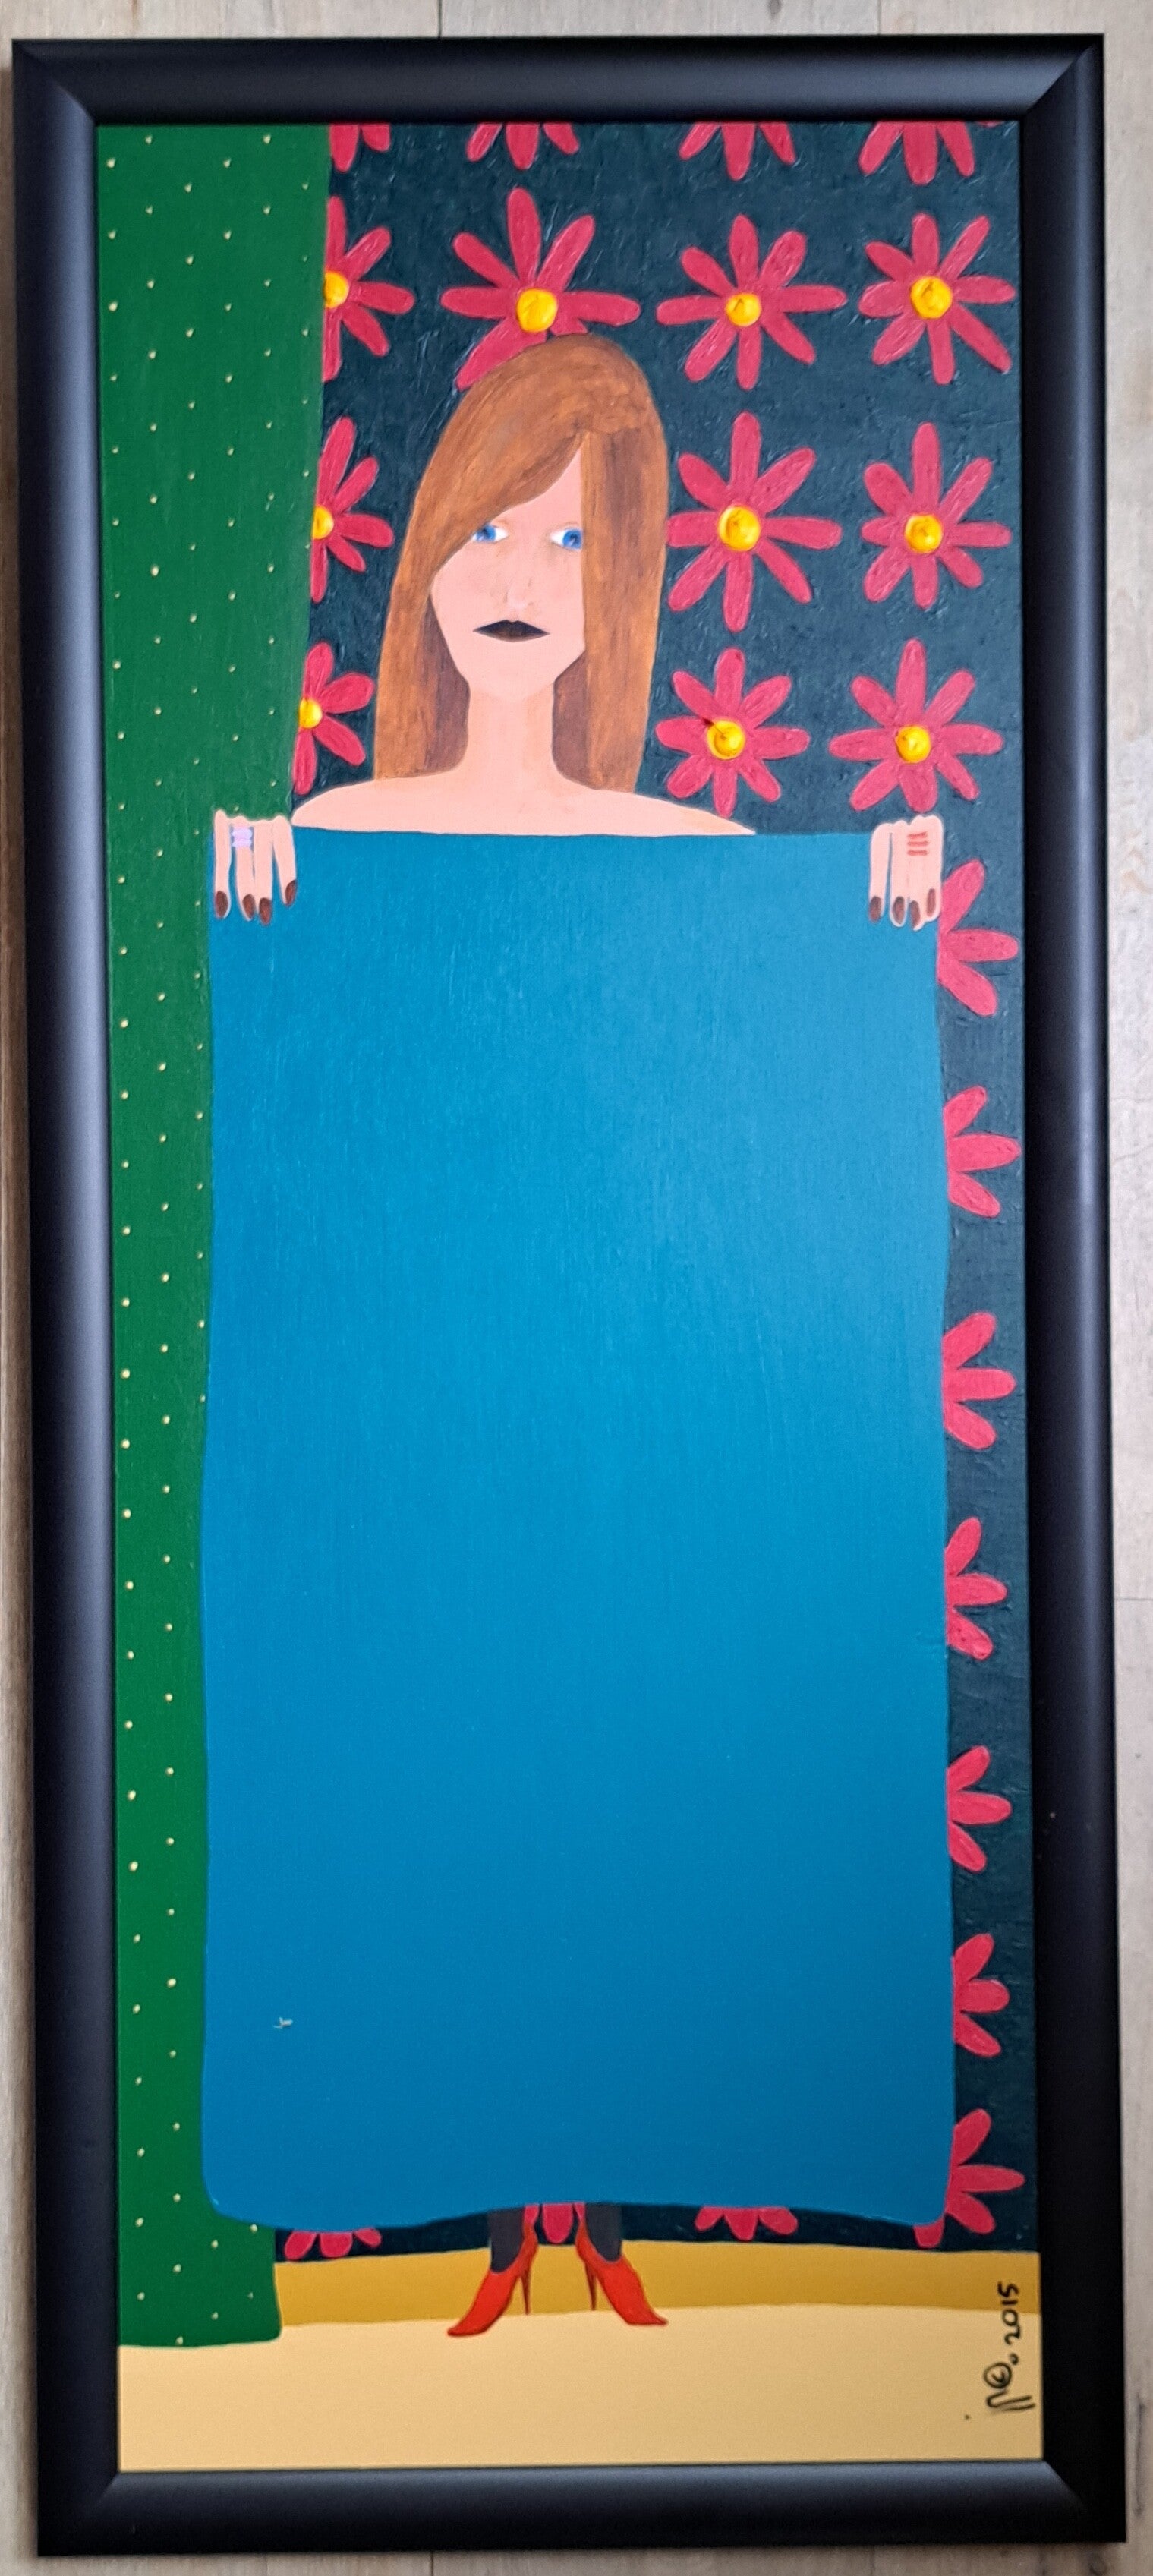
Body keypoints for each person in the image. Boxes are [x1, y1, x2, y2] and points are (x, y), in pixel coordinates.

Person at [206, 336, 952, 2344]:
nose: (523, 574)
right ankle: (491, 2223)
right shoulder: (343, 832)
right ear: (428, 564)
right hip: (431, 1428)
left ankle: (598, 2216)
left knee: (627, 1763)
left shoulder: (676, 854)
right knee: (440, 1763)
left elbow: (791, 958)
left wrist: (880, 896)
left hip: (613, 1419)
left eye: (568, 536)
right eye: (491, 528)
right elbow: (310, 1016)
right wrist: (260, 881)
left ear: (618, 581)